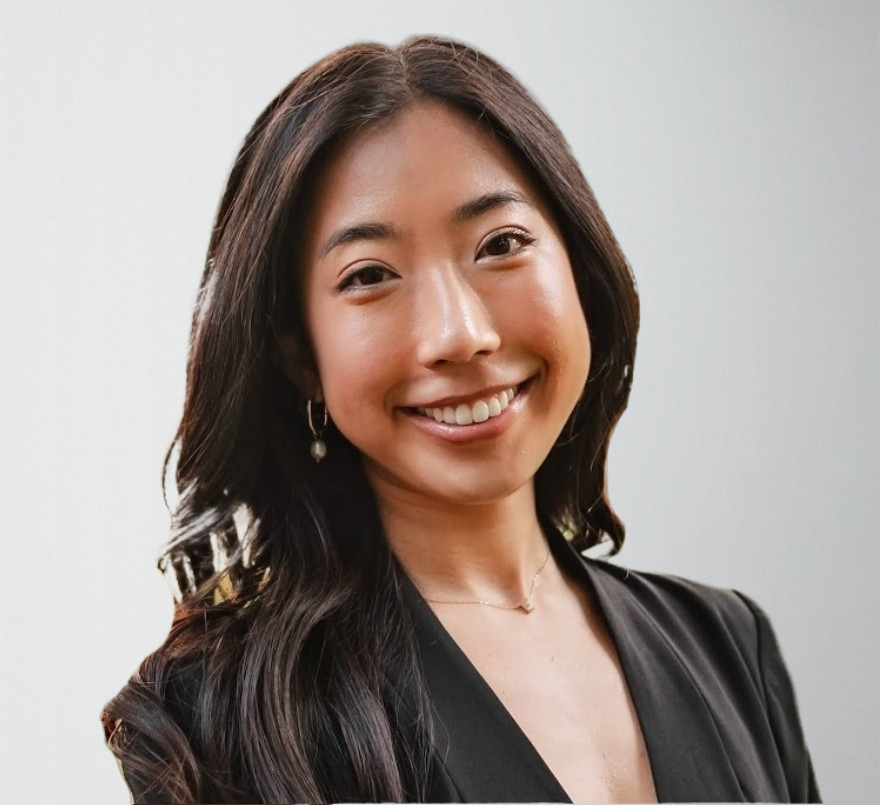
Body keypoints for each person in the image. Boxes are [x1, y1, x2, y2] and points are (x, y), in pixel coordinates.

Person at [102, 36, 820, 804]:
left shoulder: (727, 643)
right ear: (299, 354)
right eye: (370, 275)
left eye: (500, 244)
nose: (460, 333)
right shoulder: (223, 717)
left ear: (578, 263)